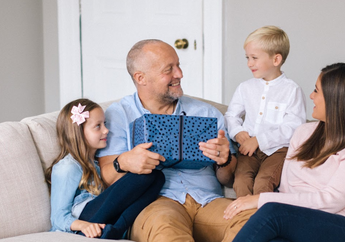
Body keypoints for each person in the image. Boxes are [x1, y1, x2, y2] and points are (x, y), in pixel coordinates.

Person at [223, 63, 345, 242]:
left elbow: (331, 201)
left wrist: (260, 199)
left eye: (316, 91)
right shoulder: (303, 133)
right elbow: (287, 189)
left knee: (272, 211)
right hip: (301, 225)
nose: (311, 96)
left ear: (336, 99)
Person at [95, 39, 238, 242]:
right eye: (168, 69)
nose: (179, 74)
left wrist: (224, 160)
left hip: (209, 201)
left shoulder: (206, 113)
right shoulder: (118, 115)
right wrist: (124, 162)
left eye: (178, 65)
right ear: (141, 78)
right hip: (155, 204)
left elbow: (228, 179)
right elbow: (106, 177)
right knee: (167, 232)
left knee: (257, 220)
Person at [45, 98, 165, 239]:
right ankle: (105, 230)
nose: (106, 130)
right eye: (98, 126)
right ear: (78, 132)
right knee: (146, 175)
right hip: (82, 222)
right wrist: (83, 226)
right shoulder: (68, 166)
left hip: (101, 220)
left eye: (105, 124)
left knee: (158, 177)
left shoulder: (95, 164)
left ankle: (115, 230)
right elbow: (58, 217)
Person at [225, 25, 306, 198]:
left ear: (276, 60)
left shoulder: (291, 90)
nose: (249, 63)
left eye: (254, 58)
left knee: (263, 184)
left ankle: (261, 221)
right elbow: (231, 115)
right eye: (247, 57)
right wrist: (237, 132)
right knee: (240, 182)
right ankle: (244, 220)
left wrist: (259, 140)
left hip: (276, 151)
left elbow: (294, 127)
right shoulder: (245, 88)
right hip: (248, 150)